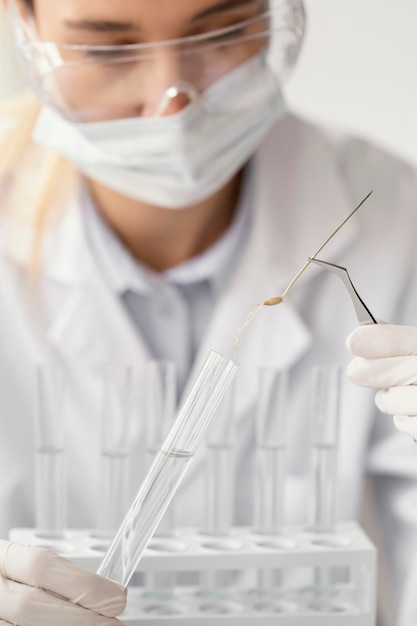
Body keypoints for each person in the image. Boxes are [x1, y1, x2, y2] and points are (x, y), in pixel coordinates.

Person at [1, 0, 417, 624]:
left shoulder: (398, 216)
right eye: (108, 48)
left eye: (220, 31)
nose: (172, 103)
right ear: (22, 22)